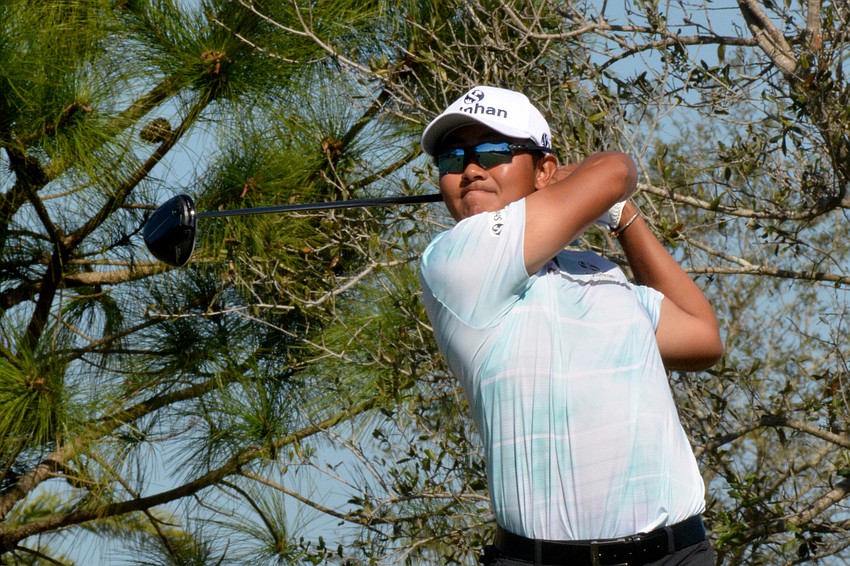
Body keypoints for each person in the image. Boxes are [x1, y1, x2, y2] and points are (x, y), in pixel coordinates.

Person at [418, 86, 724, 566]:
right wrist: (582, 185)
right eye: (452, 159)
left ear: (542, 169)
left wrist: (622, 215)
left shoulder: (598, 270)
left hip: (675, 554)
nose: (470, 169)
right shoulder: (456, 259)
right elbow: (617, 169)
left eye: (494, 152)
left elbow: (703, 336)